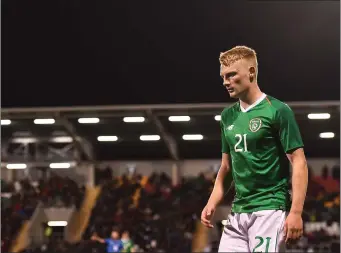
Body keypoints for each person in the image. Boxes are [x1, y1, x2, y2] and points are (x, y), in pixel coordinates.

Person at [201, 45, 308, 252]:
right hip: (238, 212)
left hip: (270, 209)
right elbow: (227, 167)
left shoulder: (277, 110)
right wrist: (212, 202)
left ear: (251, 72)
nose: (225, 81)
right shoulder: (227, 116)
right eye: (223, 76)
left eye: (231, 75)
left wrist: (295, 212)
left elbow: (299, 161)